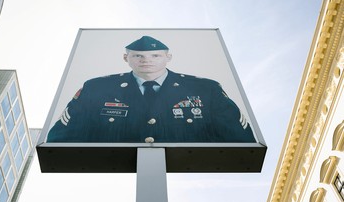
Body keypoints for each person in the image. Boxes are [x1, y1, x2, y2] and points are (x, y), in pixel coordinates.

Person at [47, 36, 256, 143]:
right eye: (138, 55)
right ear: (126, 58)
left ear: (168, 57)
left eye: (155, 56)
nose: (147, 60)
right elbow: (60, 139)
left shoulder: (205, 88)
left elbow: (241, 139)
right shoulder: (97, 88)